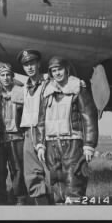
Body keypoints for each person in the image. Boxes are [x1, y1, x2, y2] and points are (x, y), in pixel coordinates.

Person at [36, 56, 98, 204]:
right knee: (56, 185)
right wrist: (40, 144)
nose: (57, 73)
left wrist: (89, 145)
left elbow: (89, 116)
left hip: (72, 144)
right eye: (54, 71)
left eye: (60, 70)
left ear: (66, 69)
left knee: (74, 184)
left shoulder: (78, 87)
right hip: (51, 144)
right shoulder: (46, 90)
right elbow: (41, 119)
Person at [0, 64, 27, 205]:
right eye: (2, 75)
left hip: (16, 137)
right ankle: (0, 198)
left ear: (13, 76)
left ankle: (20, 198)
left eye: (8, 75)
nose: (6, 78)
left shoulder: (21, 92)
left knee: (18, 170)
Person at [16, 49, 50, 205]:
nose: (29, 67)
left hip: (45, 132)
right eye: (26, 65)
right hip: (29, 133)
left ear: (39, 64)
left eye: (32, 63)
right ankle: (41, 209)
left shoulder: (49, 82)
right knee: (31, 174)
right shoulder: (25, 87)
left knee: (51, 172)